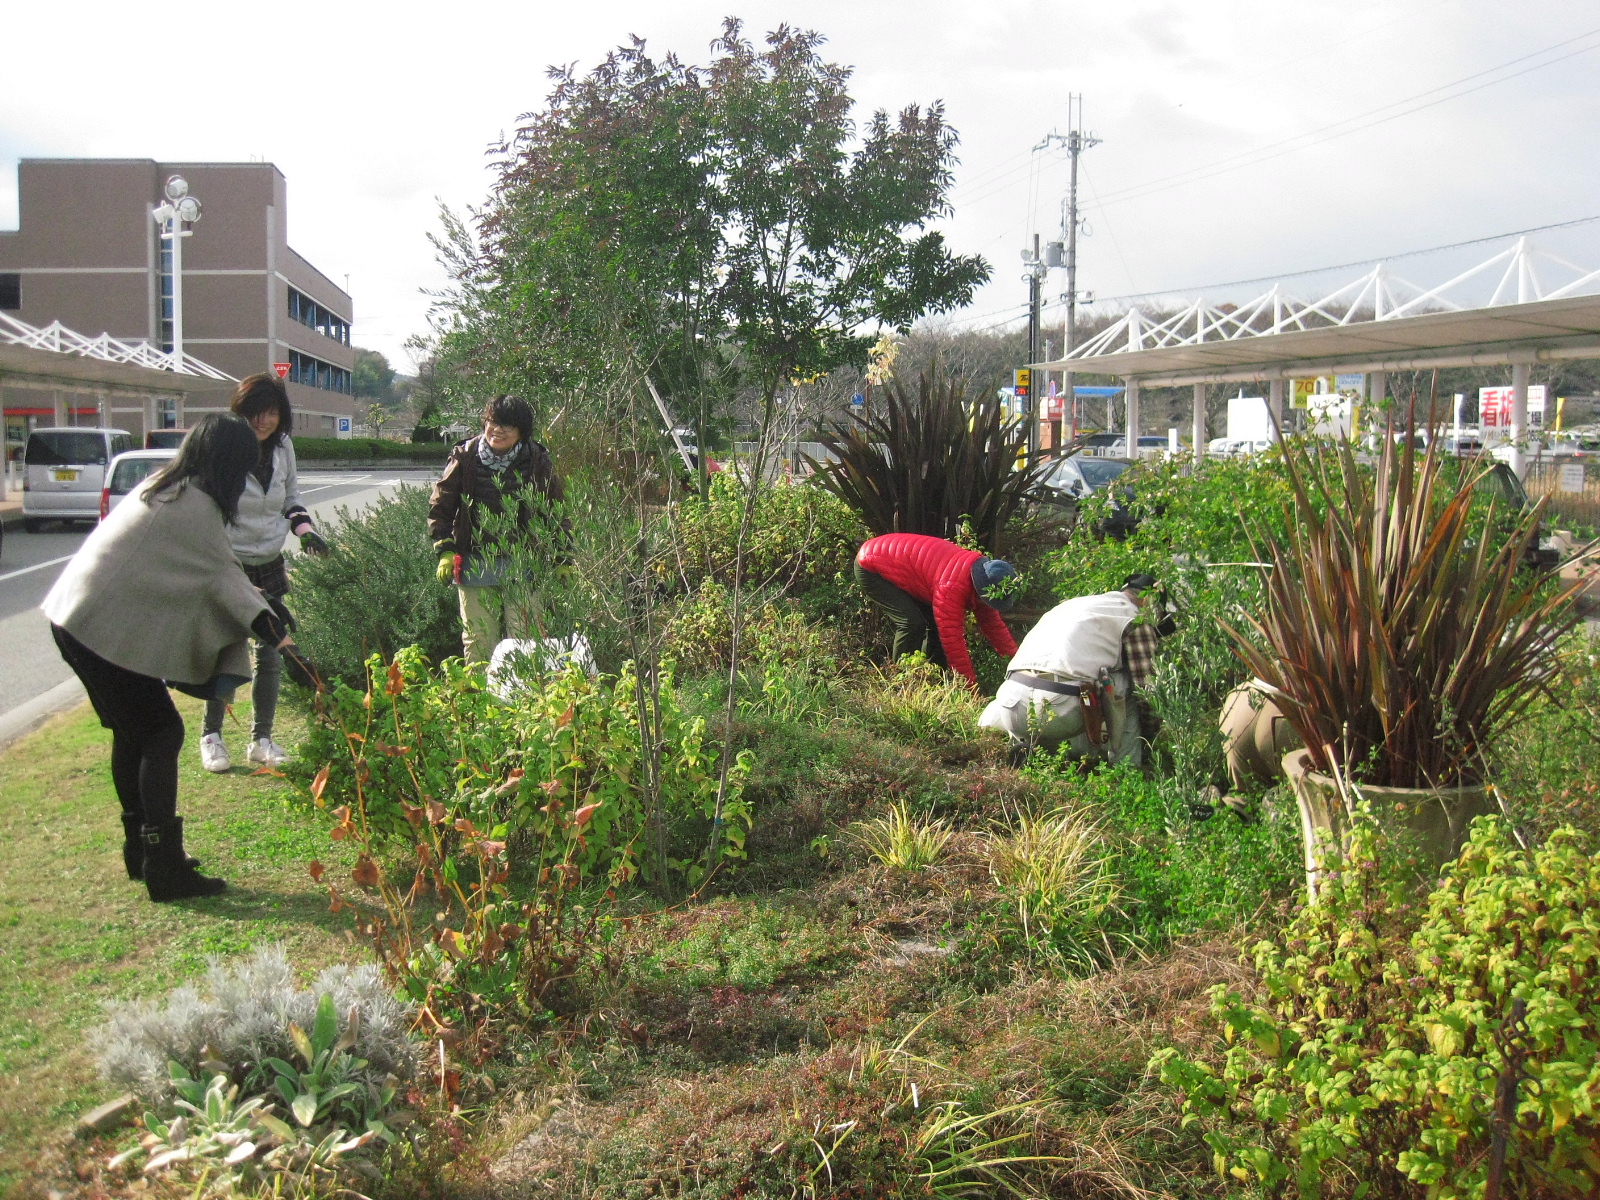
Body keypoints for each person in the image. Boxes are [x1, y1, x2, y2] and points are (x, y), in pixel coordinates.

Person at [42, 414, 298, 901]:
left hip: (75, 618)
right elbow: (225, 578)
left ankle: (142, 851)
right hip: (93, 628)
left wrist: (266, 613)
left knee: (134, 732)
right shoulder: (195, 506)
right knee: (162, 731)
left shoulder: (167, 487)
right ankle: (163, 866)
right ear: (229, 464)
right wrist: (275, 632)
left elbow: (217, 573)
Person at [198, 373, 327, 773]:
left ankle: (262, 740)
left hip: (268, 560)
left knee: (269, 653)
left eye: (271, 413)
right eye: (256, 412)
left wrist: (306, 532)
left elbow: (291, 498)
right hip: (229, 561)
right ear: (241, 411)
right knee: (226, 649)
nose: (263, 421)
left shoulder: (283, 447)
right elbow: (207, 507)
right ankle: (212, 736)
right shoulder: (225, 449)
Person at [427, 395, 568, 664]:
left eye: (508, 426)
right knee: (478, 643)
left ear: (521, 432)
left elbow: (556, 511)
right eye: (493, 422)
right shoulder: (465, 457)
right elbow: (440, 506)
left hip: (524, 564)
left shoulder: (538, 461)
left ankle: (524, 700)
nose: (497, 430)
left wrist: (563, 558)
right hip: (474, 561)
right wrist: (445, 550)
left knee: (526, 642)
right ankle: (478, 701)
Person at [978, 573, 1173, 764]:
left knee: (1079, 678)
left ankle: (1033, 749)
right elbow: (1147, 692)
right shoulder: (1135, 619)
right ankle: (1127, 768)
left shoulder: (1074, 605)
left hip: (1010, 705)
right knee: (1125, 684)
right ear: (1149, 601)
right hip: (1058, 712)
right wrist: (1152, 737)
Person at [853, 533, 1020, 687]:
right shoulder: (953, 587)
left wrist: (1020, 666)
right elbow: (952, 640)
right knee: (911, 623)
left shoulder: (984, 580)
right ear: (982, 588)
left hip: (905, 567)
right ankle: (898, 682)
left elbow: (995, 627)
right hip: (871, 564)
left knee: (934, 625)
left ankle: (931, 680)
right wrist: (970, 688)